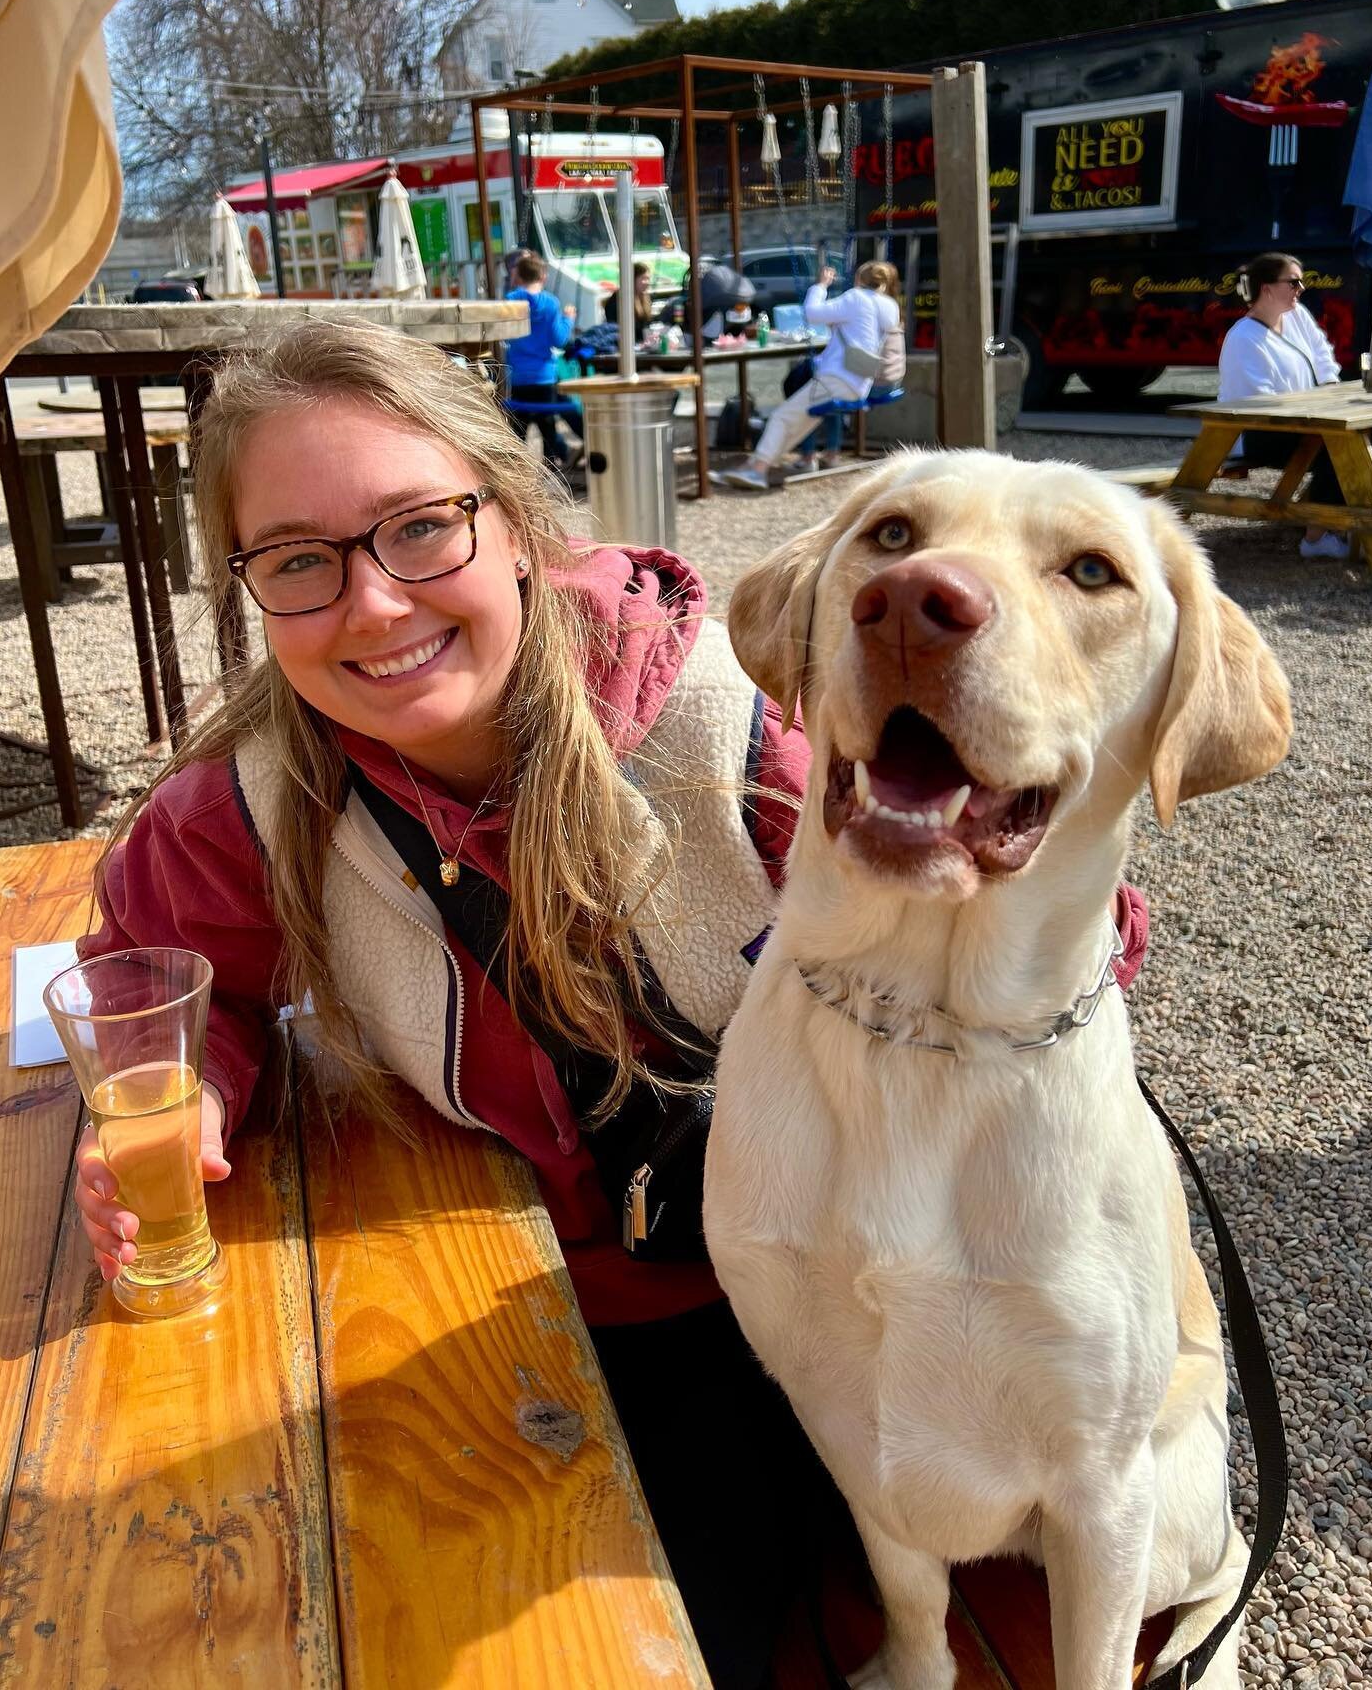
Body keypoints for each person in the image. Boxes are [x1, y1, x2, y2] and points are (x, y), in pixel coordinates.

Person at [70, 323, 1150, 1689]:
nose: (376, 608)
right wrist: (192, 1099)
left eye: (419, 529)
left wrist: (1017, 894)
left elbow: (1064, 919)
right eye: (297, 561)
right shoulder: (250, 805)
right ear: (251, 590)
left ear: (514, 522)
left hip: (857, 1287)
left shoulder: (737, 720)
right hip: (591, 1302)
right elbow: (147, 968)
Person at [720, 262, 903, 491]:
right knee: (800, 422)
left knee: (781, 417)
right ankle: (755, 464)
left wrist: (821, 286)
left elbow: (812, 313)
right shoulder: (890, 306)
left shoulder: (856, 298)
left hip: (838, 379)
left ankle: (757, 471)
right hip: (861, 381)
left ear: (859, 280)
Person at [1218, 252, 1347, 561]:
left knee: (1362, 435)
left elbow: (1322, 354)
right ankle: (1317, 538)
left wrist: (1330, 392)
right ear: (1266, 289)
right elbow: (1259, 404)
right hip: (1260, 431)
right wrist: (1316, 412)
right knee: (1339, 446)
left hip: (1307, 422)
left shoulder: (1297, 315)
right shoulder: (1243, 339)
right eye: (1293, 282)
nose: (1301, 288)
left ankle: (1327, 514)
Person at [502, 252, 584, 467]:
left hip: (519, 377)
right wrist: (568, 319)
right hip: (545, 377)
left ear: (518, 276)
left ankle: (517, 474)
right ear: (543, 277)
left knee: (518, 431)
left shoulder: (511, 300)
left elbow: (505, 334)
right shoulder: (550, 303)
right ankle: (553, 470)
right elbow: (558, 339)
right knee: (548, 429)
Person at [602, 261, 654, 342]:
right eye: (643, 279)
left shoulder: (644, 299)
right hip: (624, 344)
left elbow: (646, 325)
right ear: (632, 279)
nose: (647, 283)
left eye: (648, 279)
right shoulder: (618, 300)